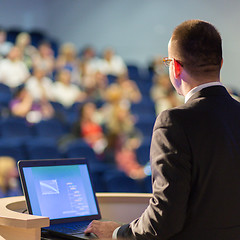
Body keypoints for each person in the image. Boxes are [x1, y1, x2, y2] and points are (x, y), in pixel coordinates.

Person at [85, 20, 240, 239]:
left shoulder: (174, 121)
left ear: (175, 67)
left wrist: (117, 233)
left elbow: (165, 218)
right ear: (221, 64)